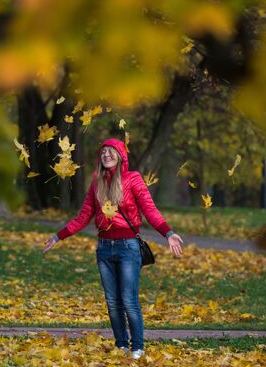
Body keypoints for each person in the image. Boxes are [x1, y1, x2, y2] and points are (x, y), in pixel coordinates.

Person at [42, 138, 184, 360]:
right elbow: (83, 217)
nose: (106, 155)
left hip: (128, 248)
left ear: (121, 156)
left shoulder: (133, 179)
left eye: (111, 151)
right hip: (104, 249)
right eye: (103, 152)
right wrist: (57, 236)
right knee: (112, 301)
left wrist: (168, 233)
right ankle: (121, 345)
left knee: (128, 300)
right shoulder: (97, 182)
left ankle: (137, 347)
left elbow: (150, 210)